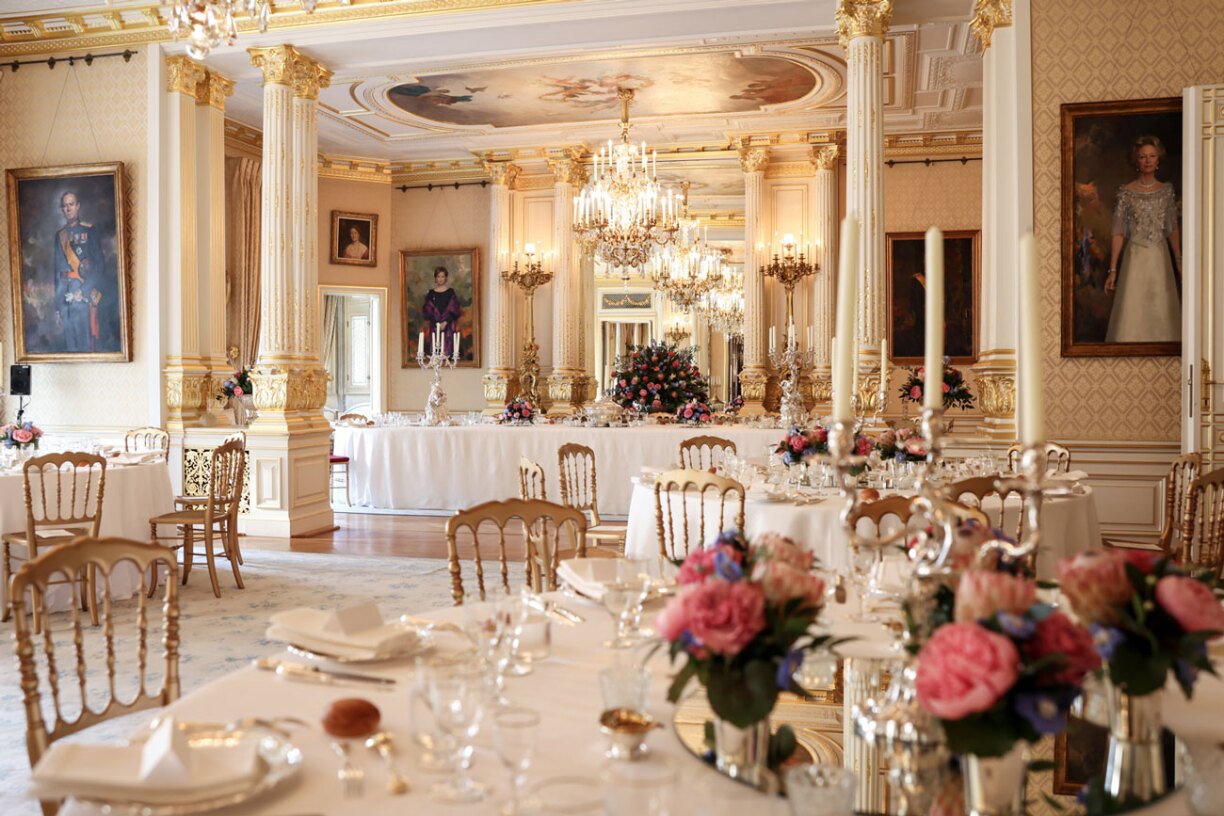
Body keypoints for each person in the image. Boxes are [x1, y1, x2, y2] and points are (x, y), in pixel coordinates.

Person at [1104, 135, 1181, 343]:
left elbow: (1172, 227)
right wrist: (1113, 269)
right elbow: (1118, 231)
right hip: (1135, 257)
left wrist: (1179, 260)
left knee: (1161, 307)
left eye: (1152, 156)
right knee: (1132, 308)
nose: (1147, 160)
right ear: (1136, 160)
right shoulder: (1125, 192)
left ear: (1158, 159)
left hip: (1159, 256)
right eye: (1142, 156)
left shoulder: (1166, 191)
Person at [53, 191, 102, 353]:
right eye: (65, 205)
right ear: (62, 209)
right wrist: (58, 308)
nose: (68, 209)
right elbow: (58, 274)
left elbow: (99, 266)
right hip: (66, 301)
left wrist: (83, 290)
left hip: (83, 297)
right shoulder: (59, 236)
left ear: (78, 206)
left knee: (84, 347)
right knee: (70, 348)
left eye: (71, 204)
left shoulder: (89, 230)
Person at [422, 266, 462, 356]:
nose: (440, 279)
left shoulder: (450, 292)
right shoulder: (431, 293)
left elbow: (455, 310)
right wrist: (437, 323)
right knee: (435, 351)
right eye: (438, 276)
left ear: (446, 278)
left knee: (447, 351)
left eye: (442, 276)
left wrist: (445, 322)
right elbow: (427, 311)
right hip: (435, 326)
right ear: (435, 278)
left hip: (448, 326)